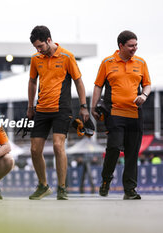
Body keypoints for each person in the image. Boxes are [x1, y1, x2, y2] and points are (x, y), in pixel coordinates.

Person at [27, 25, 89, 200]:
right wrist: (30, 106)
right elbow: (32, 82)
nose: (38, 50)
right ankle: (43, 185)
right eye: (36, 48)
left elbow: (78, 82)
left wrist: (84, 106)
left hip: (61, 109)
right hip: (41, 110)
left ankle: (62, 188)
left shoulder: (67, 56)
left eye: (40, 46)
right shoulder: (35, 59)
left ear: (49, 40)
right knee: (34, 149)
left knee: (57, 146)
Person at [91, 30, 151, 200]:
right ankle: (106, 180)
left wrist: (144, 96)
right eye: (131, 45)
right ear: (121, 46)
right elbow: (98, 86)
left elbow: (147, 85)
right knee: (114, 148)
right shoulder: (107, 62)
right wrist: (92, 107)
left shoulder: (141, 63)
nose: (135, 48)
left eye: (136, 45)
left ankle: (130, 190)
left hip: (135, 114)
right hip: (115, 112)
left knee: (132, 153)